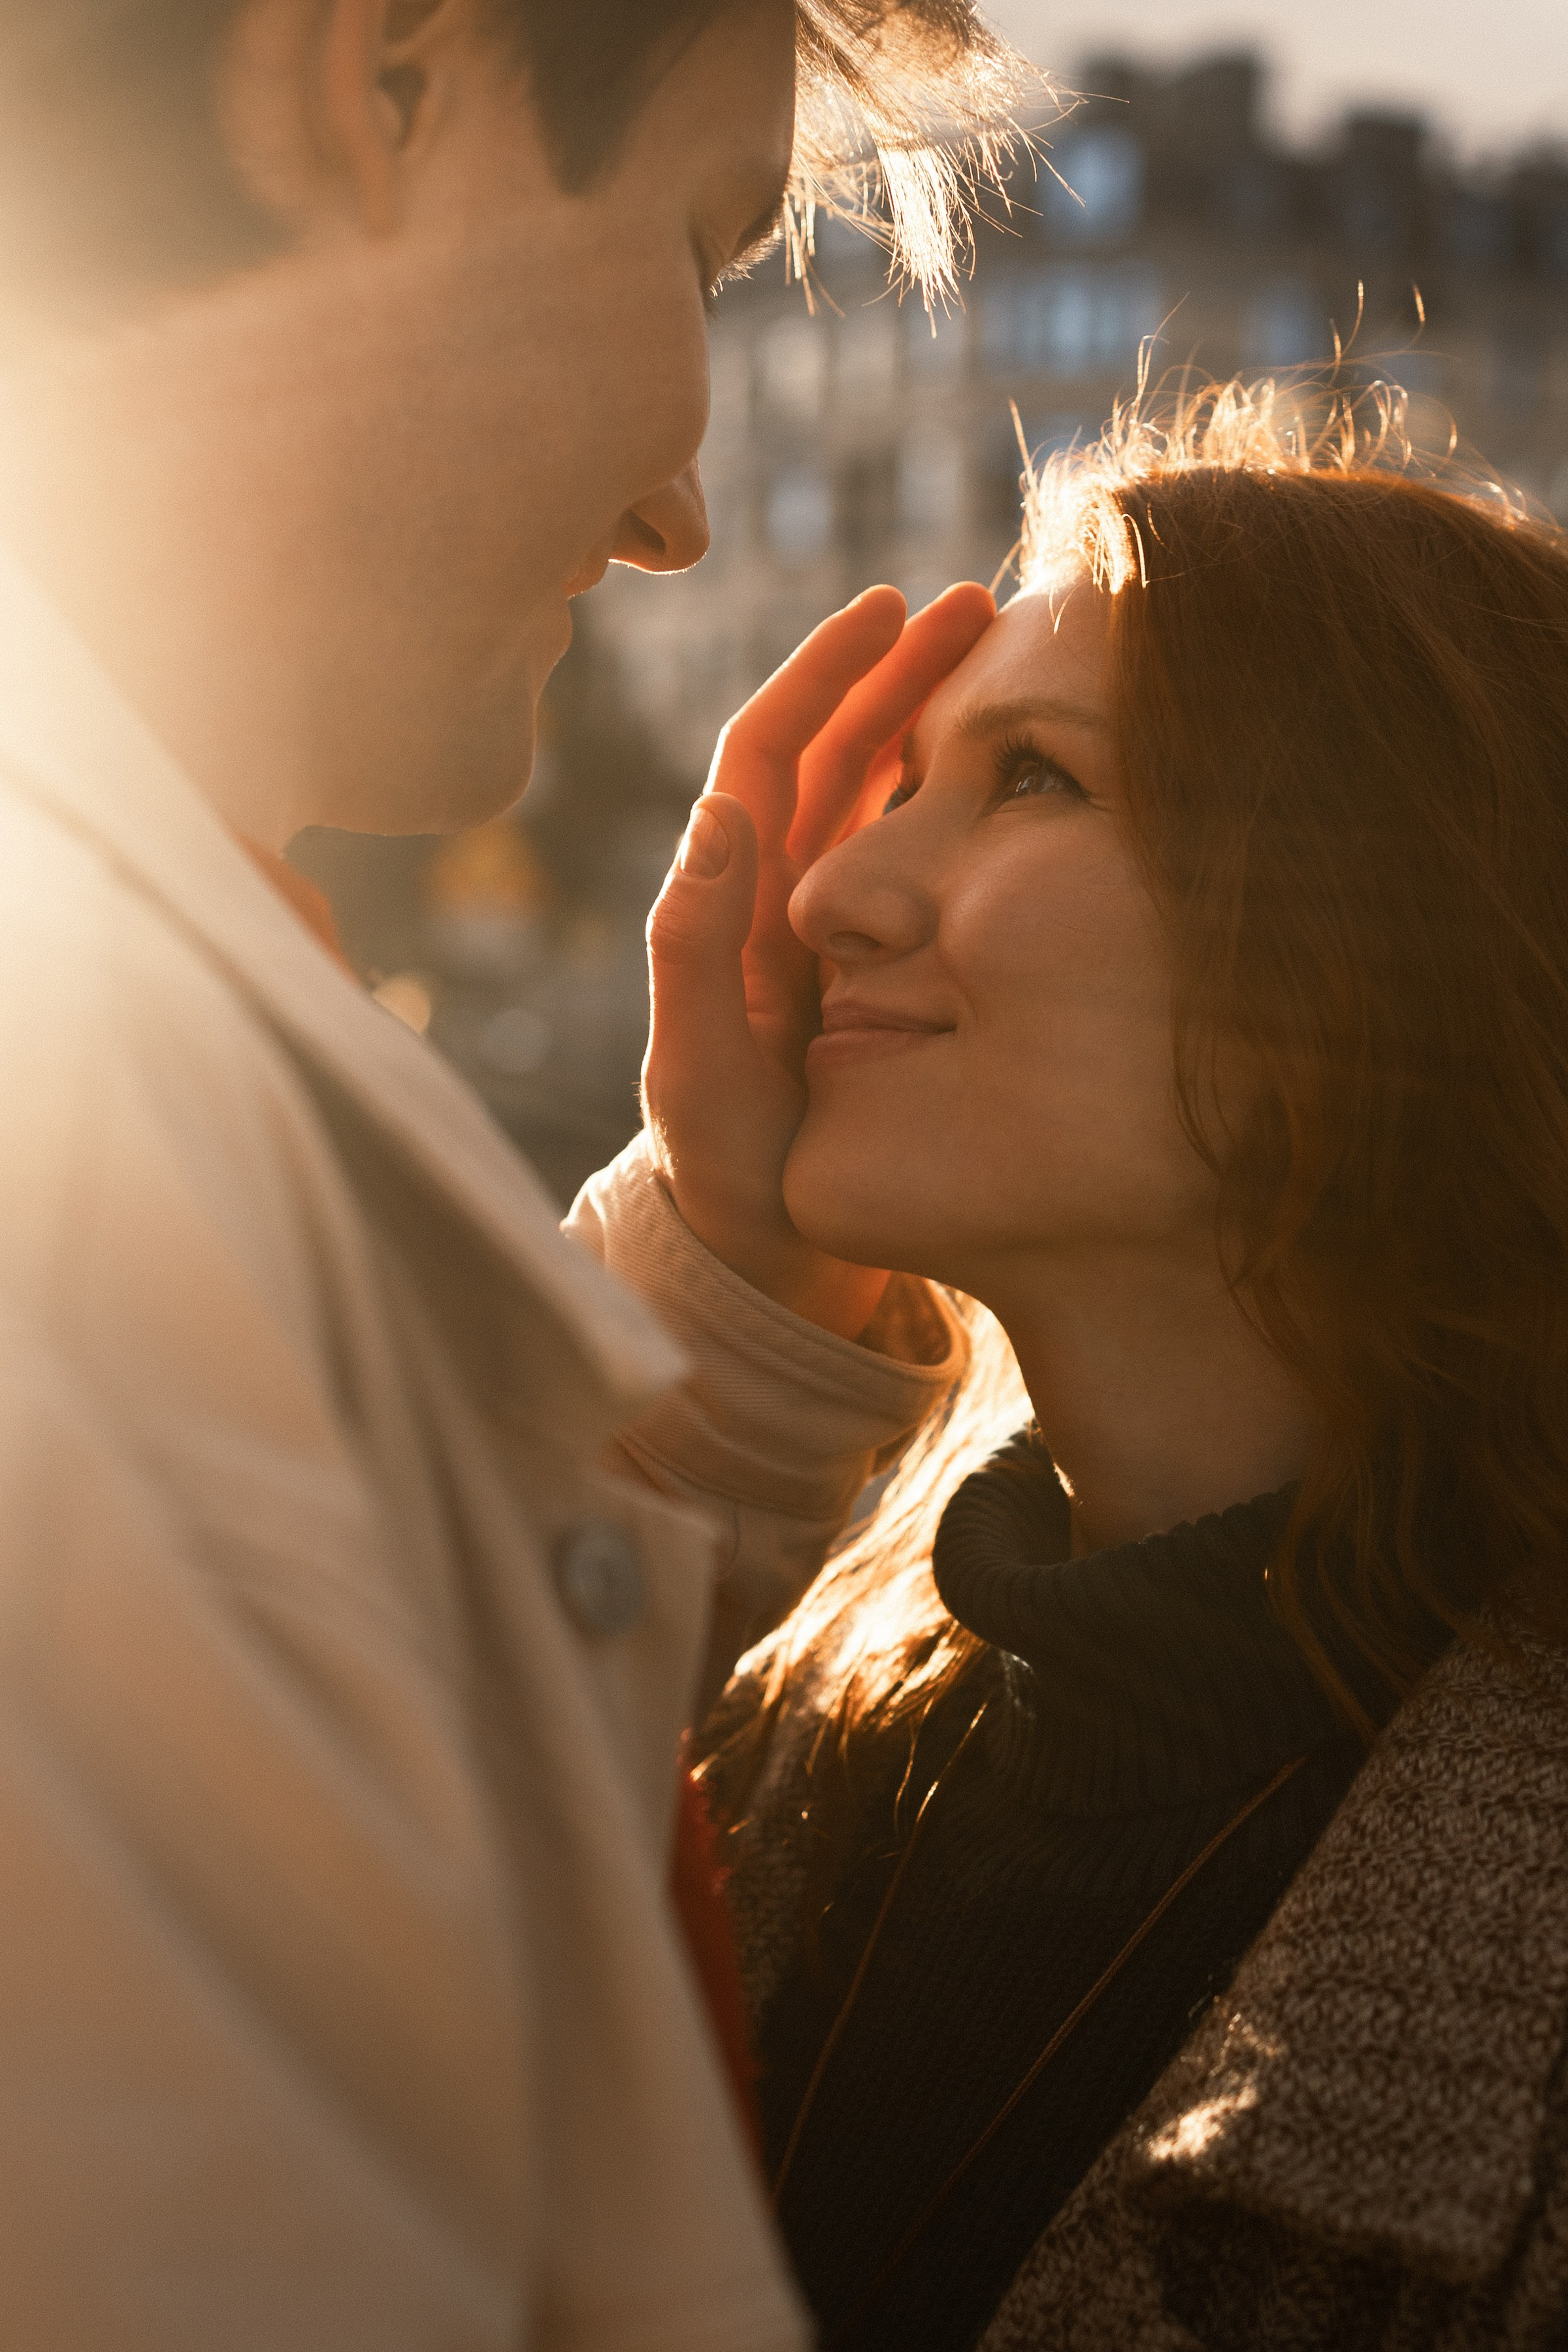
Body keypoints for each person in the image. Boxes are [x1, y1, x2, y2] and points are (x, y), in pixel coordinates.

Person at [0, 3, 1041, 2345]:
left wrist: (744, 1284)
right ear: (377, 83)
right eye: (692, 245)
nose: (681, 514)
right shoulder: (75, 1178)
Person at [576, 378, 1568, 2351]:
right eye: (899, 790)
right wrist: (721, 1284)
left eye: (1032, 775)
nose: (825, 893)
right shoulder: (789, 1720)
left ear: (1393, 928)